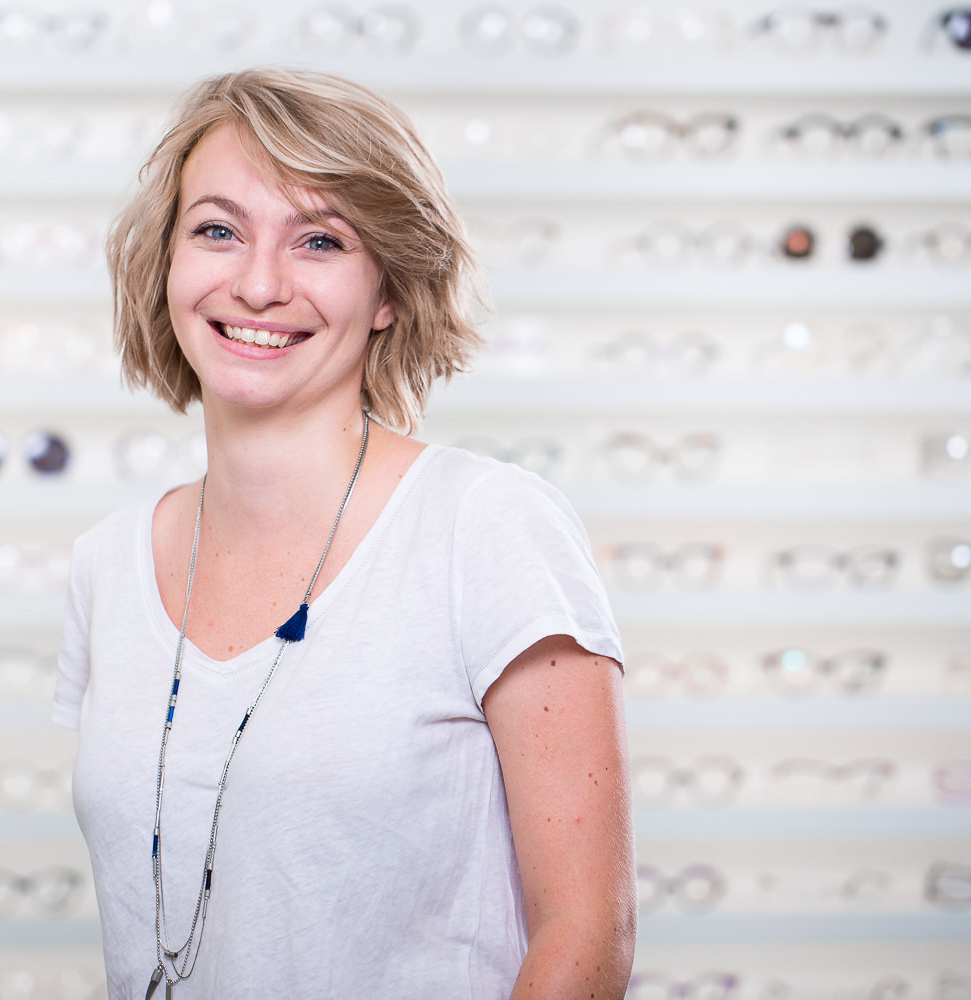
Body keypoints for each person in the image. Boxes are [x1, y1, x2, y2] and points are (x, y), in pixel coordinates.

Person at [54, 67, 634, 999]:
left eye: (319, 240)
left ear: (391, 292)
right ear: (165, 262)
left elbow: (586, 940)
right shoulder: (108, 564)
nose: (258, 282)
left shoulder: (486, 529)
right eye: (217, 230)